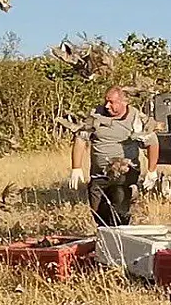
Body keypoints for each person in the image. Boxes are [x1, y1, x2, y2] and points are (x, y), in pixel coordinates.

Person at [68, 86, 160, 227]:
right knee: (97, 211)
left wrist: (152, 171)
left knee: (119, 208)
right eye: (106, 101)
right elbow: (80, 138)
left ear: (124, 102)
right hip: (99, 175)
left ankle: (120, 237)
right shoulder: (95, 115)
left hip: (125, 173)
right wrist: (76, 167)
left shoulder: (136, 118)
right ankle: (106, 235)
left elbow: (152, 142)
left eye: (111, 102)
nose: (107, 106)